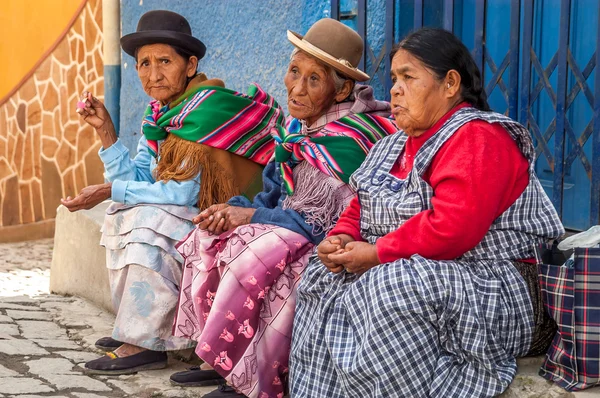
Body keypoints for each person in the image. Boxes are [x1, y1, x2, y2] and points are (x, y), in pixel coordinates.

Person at [289, 27, 565, 398]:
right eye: (393, 79)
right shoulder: (392, 145)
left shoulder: (478, 137)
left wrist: (375, 254)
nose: (395, 90)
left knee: (391, 285)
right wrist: (343, 236)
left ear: (450, 83)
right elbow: (360, 203)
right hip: (434, 275)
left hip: (501, 289)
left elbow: (452, 229)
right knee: (320, 277)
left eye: (408, 78)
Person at [168, 18, 398, 398]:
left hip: (332, 244)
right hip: (291, 226)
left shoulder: (351, 139)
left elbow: (323, 224)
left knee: (258, 249)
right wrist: (232, 209)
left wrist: (252, 218)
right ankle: (224, 359)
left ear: (341, 91)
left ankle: (252, 380)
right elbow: (272, 198)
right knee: (210, 233)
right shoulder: (298, 132)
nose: (296, 87)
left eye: (313, 79)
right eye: (294, 72)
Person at [61, 10, 283, 375]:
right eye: (144, 64)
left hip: (233, 212)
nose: (153, 74)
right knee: (122, 210)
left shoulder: (204, 111)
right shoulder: (161, 116)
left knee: (152, 215)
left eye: (164, 61)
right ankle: (136, 328)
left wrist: (109, 189)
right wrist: (106, 133)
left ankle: (144, 341)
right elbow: (140, 178)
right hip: (194, 210)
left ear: (190, 64)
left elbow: (181, 193)